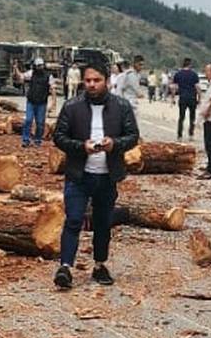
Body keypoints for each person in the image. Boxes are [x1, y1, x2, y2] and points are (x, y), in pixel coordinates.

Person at [51, 55, 139, 291]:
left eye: (96, 80)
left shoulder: (121, 107)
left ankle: (100, 265)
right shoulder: (72, 106)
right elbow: (58, 137)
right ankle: (65, 267)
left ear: (107, 81)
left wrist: (115, 144)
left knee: (102, 222)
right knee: (73, 220)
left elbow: (133, 136)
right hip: (79, 174)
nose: (91, 84)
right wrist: (81, 147)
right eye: (87, 80)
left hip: (107, 175)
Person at [17, 55, 53, 147]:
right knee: (28, 120)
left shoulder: (49, 76)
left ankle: (38, 140)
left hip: (42, 102)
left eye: (40, 65)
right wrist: (15, 69)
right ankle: (26, 140)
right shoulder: (31, 73)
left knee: (40, 123)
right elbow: (21, 77)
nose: (39, 67)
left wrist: (53, 103)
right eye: (37, 66)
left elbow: (53, 90)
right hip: (31, 101)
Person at [173, 58, 200, 138]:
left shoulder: (178, 74)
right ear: (190, 64)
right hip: (192, 97)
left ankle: (179, 135)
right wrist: (200, 97)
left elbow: (174, 87)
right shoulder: (194, 74)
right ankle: (191, 134)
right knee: (192, 117)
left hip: (183, 97)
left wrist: (173, 98)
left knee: (181, 117)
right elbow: (197, 87)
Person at [120, 54, 143, 120]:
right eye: (140, 64)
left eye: (142, 65)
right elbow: (138, 92)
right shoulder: (131, 75)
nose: (141, 67)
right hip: (129, 104)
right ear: (135, 64)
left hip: (131, 103)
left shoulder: (136, 75)